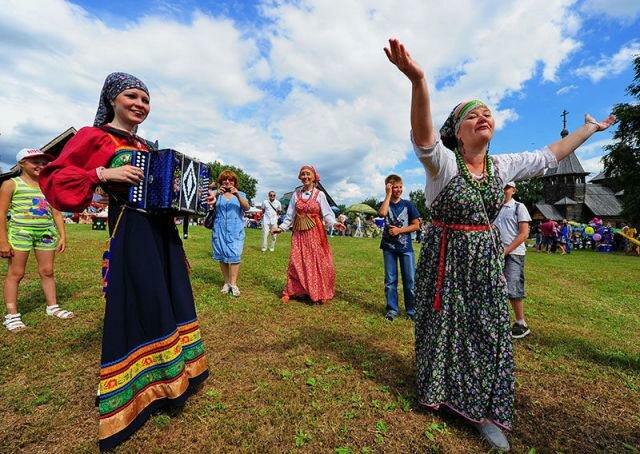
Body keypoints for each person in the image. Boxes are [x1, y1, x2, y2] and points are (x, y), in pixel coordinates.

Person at [384, 37, 615, 451]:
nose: (483, 115)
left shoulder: (503, 166)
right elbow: (422, 138)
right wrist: (419, 81)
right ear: (456, 132)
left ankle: (485, 411)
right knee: (443, 326)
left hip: (485, 259)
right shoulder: (444, 165)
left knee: (490, 329)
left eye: (486, 111)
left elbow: (552, 154)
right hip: (446, 258)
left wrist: (589, 128)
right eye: (472, 115)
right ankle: (440, 391)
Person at [39, 72, 208, 451]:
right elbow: (55, 178)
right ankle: (134, 394)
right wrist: (102, 173)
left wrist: (196, 202)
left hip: (163, 233)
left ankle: (174, 377)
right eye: (132, 96)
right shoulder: (94, 137)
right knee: (139, 302)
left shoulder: (149, 146)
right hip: (131, 230)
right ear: (112, 99)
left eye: (146, 99)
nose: (140, 105)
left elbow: (168, 191)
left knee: (169, 297)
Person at [1, 148, 72, 332]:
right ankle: (12, 314)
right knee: (16, 273)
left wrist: (62, 235)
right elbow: (1, 213)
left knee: (47, 271)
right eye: (35, 162)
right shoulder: (11, 184)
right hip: (20, 234)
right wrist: (3, 240)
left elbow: (56, 212)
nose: (40, 165)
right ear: (21, 163)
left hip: (46, 234)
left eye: (43, 162)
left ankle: (52, 307)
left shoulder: (48, 185)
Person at [272, 165, 343, 304]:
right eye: (303, 174)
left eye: (308, 174)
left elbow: (327, 213)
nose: (305, 177)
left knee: (315, 261)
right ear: (300, 177)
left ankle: (316, 292)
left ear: (314, 177)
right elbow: (290, 215)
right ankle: (292, 291)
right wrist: (281, 228)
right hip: (299, 233)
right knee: (296, 260)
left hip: (315, 232)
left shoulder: (319, 194)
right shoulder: (296, 195)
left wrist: (334, 224)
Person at [378, 174, 421, 321]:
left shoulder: (408, 205)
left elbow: (416, 225)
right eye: (394, 187)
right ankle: (392, 310)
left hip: (406, 248)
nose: (398, 190)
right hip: (389, 247)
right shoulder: (385, 203)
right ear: (388, 187)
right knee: (390, 281)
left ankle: (412, 310)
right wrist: (388, 195)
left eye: (400, 187)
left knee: (410, 280)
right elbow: (382, 213)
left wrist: (399, 230)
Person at [494, 181, 531, 339]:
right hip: (495, 252)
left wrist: (506, 251)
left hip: (514, 252)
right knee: (495, 287)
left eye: (507, 187)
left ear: (514, 190)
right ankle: (497, 320)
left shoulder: (518, 207)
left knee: (513, 286)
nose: (503, 190)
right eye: (501, 187)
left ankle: (520, 323)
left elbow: (524, 234)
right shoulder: (494, 209)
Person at [210, 170, 250, 296]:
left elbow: (247, 207)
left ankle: (234, 284)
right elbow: (206, 206)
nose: (227, 182)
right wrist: (216, 194)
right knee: (222, 255)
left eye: (230, 180)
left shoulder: (241, 193)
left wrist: (237, 195)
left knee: (235, 254)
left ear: (234, 182)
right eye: (225, 179)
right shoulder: (217, 194)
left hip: (235, 229)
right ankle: (226, 283)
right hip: (219, 228)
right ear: (221, 181)